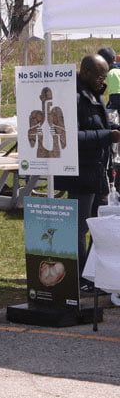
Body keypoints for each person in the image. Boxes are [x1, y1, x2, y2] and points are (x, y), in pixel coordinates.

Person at [54, 54, 120, 292]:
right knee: (80, 228)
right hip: (80, 173)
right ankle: (81, 276)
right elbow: (69, 137)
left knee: (100, 227)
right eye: (101, 76)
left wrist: (112, 129)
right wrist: (108, 136)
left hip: (98, 170)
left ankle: (95, 275)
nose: (104, 80)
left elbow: (97, 126)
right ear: (87, 72)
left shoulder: (94, 94)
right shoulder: (72, 97)